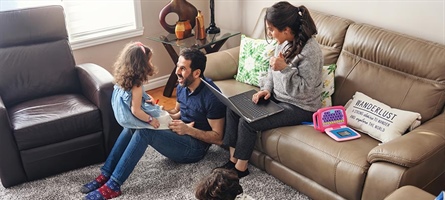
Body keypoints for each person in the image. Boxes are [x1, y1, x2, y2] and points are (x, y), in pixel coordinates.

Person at [80, 45, 226, 200]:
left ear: (197, 73)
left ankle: (113, 185)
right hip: (180, 133)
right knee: (133, 125)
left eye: (183, 68)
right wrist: (156, 109)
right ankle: (106, 174)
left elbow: (218, 137)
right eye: (177, 66)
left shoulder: (212, 97)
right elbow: (178, 113)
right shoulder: (183, 85)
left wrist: (188, 130)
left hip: (195, 149)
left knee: (144, 131)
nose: (177, 72)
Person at [216, 1, 323, 178]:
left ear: (287, 30)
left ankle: (240, 170)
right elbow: (270, 72)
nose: (269, 34)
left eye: (272, 29)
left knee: (248, 121)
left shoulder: (311, 51)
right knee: (233, 107)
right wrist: (266, 89)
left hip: (301, 107)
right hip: (278, 97)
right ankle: (232, 160)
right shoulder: (283, 42)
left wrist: (285, 69)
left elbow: (306, 90)